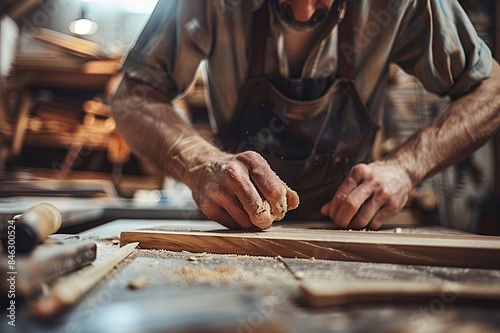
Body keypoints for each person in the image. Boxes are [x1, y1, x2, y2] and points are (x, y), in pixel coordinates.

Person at [111, 0, 500, 230]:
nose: (301, 10)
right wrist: (199, 164)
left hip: (352, 230)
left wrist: (407, 168)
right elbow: (132, 96)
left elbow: (491, 89)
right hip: (236, 232)